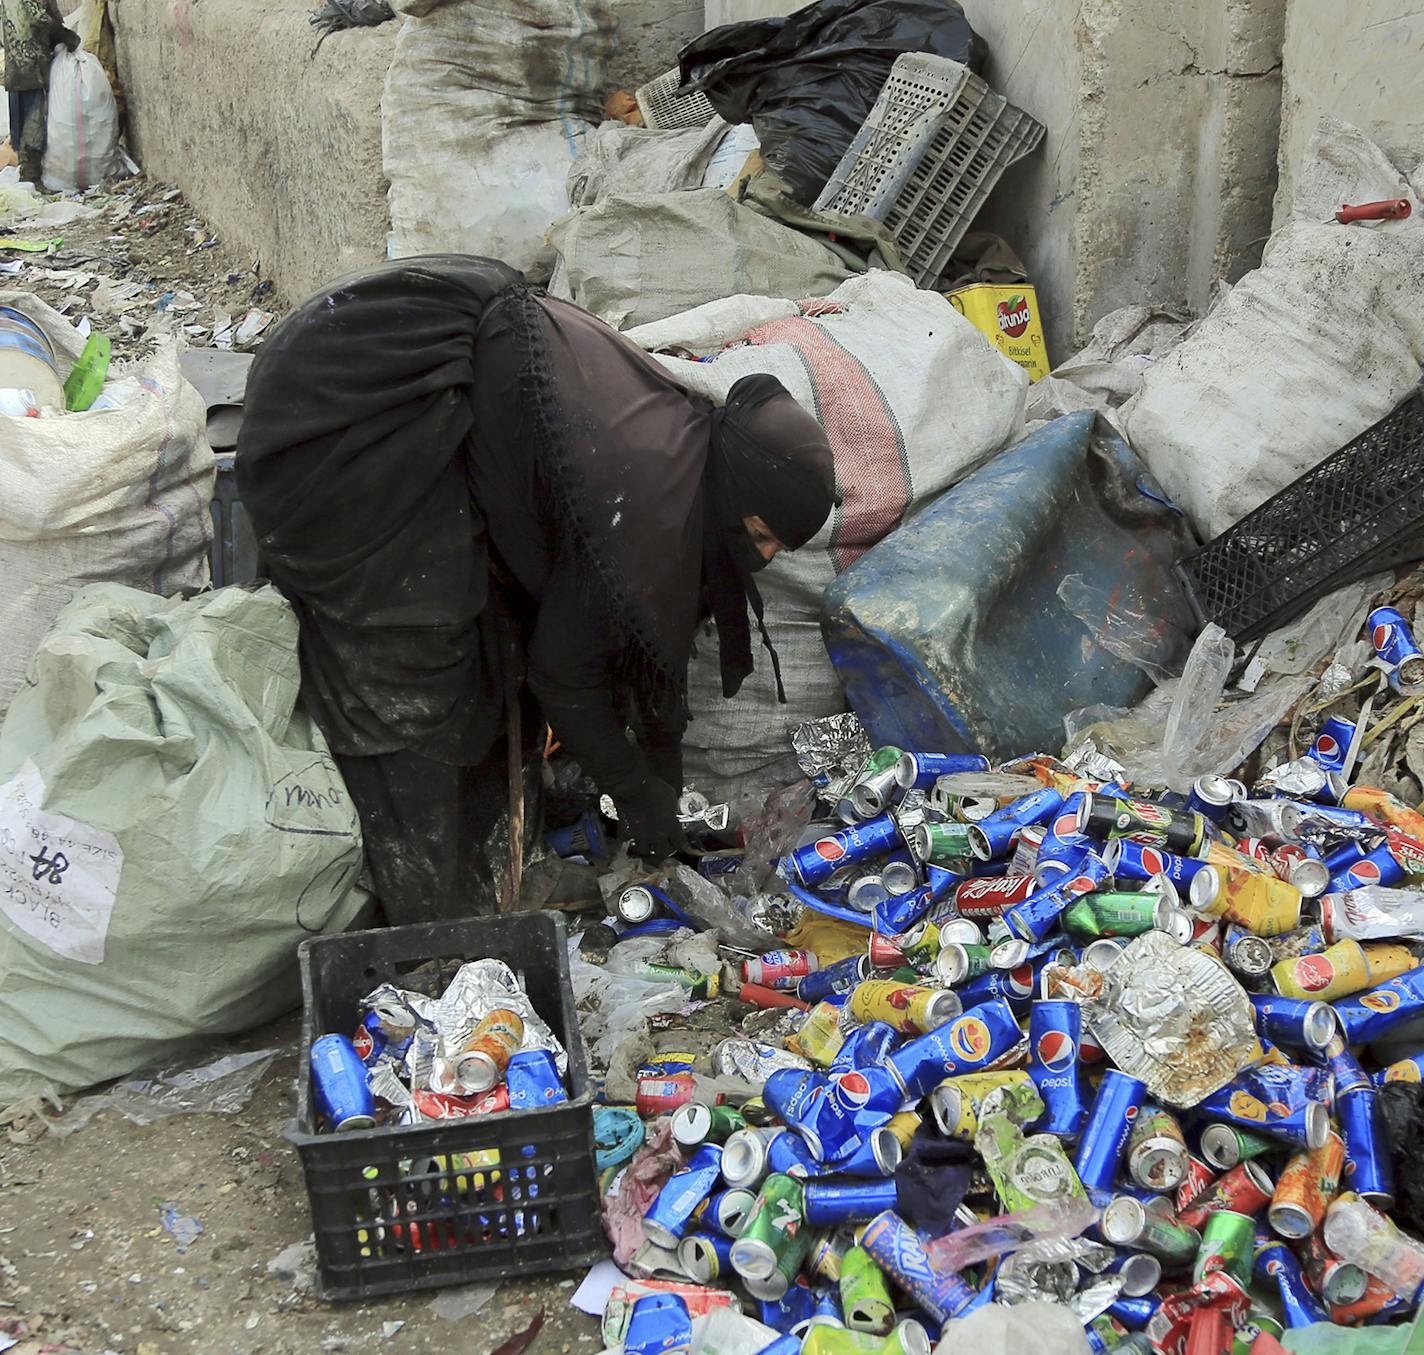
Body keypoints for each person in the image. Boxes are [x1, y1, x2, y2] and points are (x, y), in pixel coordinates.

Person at [236, 256, 836, 924]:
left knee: (499, 646)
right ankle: (442, 910)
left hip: (430, 383)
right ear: (742, 497)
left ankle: (501, 846)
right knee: (427, 677)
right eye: (762, 535)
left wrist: (663, 776)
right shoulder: (645, 509)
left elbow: (637, 649)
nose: (765, 557)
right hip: (355, 411)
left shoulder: (691, 448)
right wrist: (637, 791)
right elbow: (568, 676)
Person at [1, 0, 79, 186]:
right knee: (33, 123)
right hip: (31, 64)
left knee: (21, 122)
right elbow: (37, 17)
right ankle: (32, 177)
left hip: (16, 64)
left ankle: (28, 174)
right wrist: (65, 35)